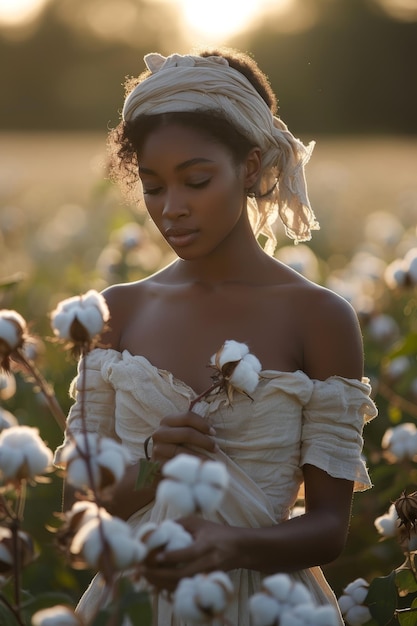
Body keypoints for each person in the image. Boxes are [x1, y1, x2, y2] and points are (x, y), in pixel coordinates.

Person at [55, 47, 377, 625]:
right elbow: (78, 510)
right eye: (153, 187)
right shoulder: (115, 312)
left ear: (250, 168)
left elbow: (329, 529)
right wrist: (153, 463)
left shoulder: (319, 317)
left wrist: (232, 545)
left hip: (266, 609)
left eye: (196, 181)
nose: (171, 209)